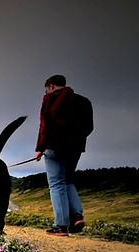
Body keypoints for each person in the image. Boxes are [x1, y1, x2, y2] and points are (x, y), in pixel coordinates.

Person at [34, 74, 94, 236]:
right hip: (75, 148)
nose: (46, 92)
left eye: (47, 89)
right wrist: (75, 140)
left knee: (56, 184)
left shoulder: (49, 100)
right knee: (68, 181)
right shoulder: (84, 101)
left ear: (51, 86)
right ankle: (76, 216)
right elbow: (89, 127)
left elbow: (44, 127)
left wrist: (40, 148)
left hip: (54, 147)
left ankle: (61, 226)